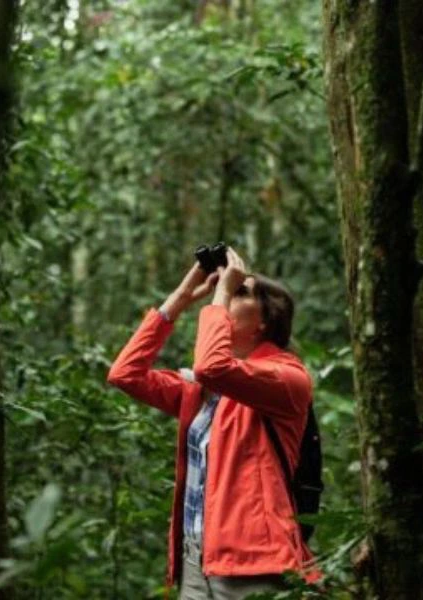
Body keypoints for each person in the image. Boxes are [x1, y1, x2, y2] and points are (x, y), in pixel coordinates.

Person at [106, 247, 321, 599]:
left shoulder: (286, 378)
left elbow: (211, 366)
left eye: (240, 291)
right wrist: (181, 298)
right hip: (197, 559)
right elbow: (125, 374)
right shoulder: (205, 391)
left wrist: (219, 295)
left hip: (253, 561)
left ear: (265, 321)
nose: (227, 292)